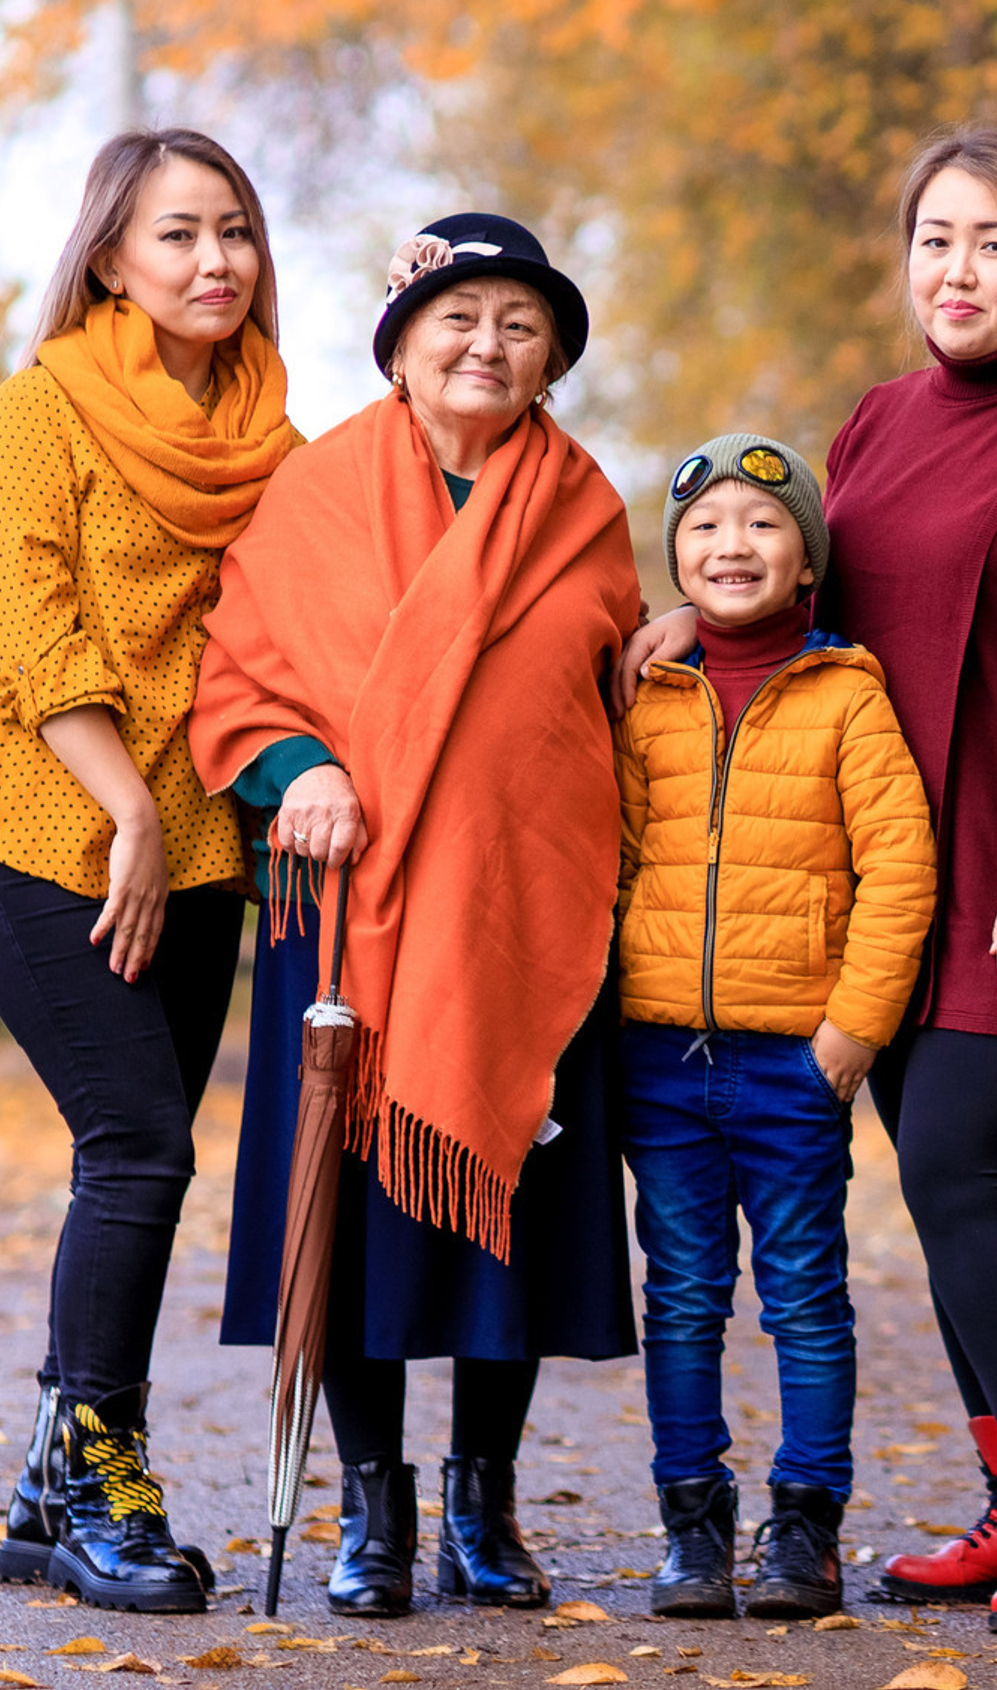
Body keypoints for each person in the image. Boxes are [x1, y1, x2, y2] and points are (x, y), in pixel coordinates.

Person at [623, 125, 997, 1633]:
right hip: (888, 876)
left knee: (958, 1171)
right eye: (936, 239)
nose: (958, 270)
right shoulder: (879, 424)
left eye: (995, 241)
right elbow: (820, 611)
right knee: (946, 1191)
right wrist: (705, 624)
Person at [192, 214, 642, 1619]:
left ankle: (483, 1505)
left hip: (528, 909)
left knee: (498, 1202)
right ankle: (373, 1509)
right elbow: (239, 678)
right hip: (345, 921)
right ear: (401, 346)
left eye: (520, 324)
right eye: (458, 318)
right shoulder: (316, 493)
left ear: (552, 357)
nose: (487, 345)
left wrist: (682, 638)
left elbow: (617, 684)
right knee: (356, 1223)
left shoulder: (585, 505)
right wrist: (301, 767)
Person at [0, 130, 298, 1613]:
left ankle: (51, 1478)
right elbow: (33, 627)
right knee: (145, 1150)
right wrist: (119, 803)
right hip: (50, 829)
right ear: (112, 254)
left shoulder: (277, 440)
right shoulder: (43, 406)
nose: (213, 262)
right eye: (178, 234)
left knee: (138, 1162)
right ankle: (108, 1475)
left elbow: (337, 614)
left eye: (234, 231)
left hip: (201, 849)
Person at [615, 432, 936, 1622]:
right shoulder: (643, 690)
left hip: (794, 1056)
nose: (731, 544)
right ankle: (692, 1528)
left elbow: (900, 865)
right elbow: (603, 853)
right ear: (676, 560)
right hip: (657, 1051)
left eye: (761, 523)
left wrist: (853, 1027)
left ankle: (804, 1529)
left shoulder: (845, 691)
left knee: (805, 1294)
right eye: (704, 528)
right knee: (685, 1295)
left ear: (807, 558)